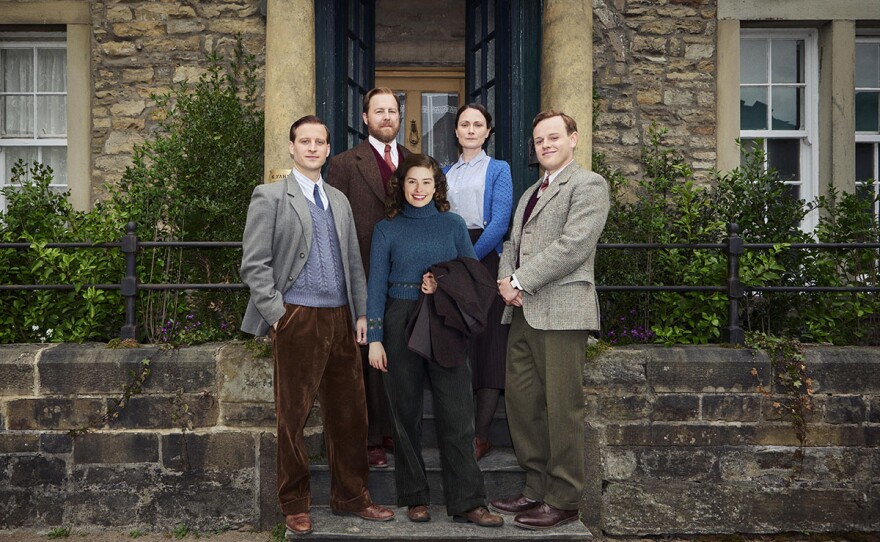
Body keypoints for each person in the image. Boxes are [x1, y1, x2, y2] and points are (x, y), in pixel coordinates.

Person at [240, 115, 394, 536]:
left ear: (328, 149)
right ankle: (294, 503)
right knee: (293, 417)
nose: (312, 148)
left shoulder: (339, 200)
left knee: (351, 415)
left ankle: (351, 496)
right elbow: (254, 265)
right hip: (297, 317)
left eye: (320, 142)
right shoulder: (270, 196)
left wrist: (362, 314)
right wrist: (277, 315)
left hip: (341, 318)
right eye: (304, 141)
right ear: (291, 147)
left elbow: (353, 267)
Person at [366, 153, 504, 527]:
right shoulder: (386, 229)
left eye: (427, 182)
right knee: (405, 413)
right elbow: (376, 285)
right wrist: (375, 338)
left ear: (437, 186)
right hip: (399, 320)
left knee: (458, 413)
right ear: (401, 186)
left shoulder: (453, 224)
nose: (419, 189)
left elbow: (471, 276)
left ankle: (469, 502)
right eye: (412, 182)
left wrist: (441, 284)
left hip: (444, 322)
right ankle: (414, 497)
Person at [490, 110, 609, 530]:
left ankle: (564, 499)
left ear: (573, 139)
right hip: (521, 310)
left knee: (562, 408)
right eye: (539, 140)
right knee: (523, 405)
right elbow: (511, 242)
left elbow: (573, 246)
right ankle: (535, 488)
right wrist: (506, 279)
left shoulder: (589, 185)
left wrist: (521, 278)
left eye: (554, 137)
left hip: (562, 312)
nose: (546, 145)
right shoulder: (530, 193)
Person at [326, 87, 407, 468]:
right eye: (379, 111)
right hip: (363, 269)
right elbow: (334, 223)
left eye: (392, 111)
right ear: (365, 118)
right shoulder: (344, 163)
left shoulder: (417, 161)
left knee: (401, 351)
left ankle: (396, 430)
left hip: (406, 274)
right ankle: (371, 437)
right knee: (365, 355)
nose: (387, 117)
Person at [442, 103, 513, 460]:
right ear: (456, 131)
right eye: (464, 124)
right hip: (450, 262)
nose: (471, 129)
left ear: (487, 132)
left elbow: (500, 220)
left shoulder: (499, 169)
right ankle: (456, 430)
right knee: (454, 344)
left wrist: (468, 259)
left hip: (484, 261)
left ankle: (481, 435)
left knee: (488, 346)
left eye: (478, 124)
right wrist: (451, 259)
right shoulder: (443, 171)